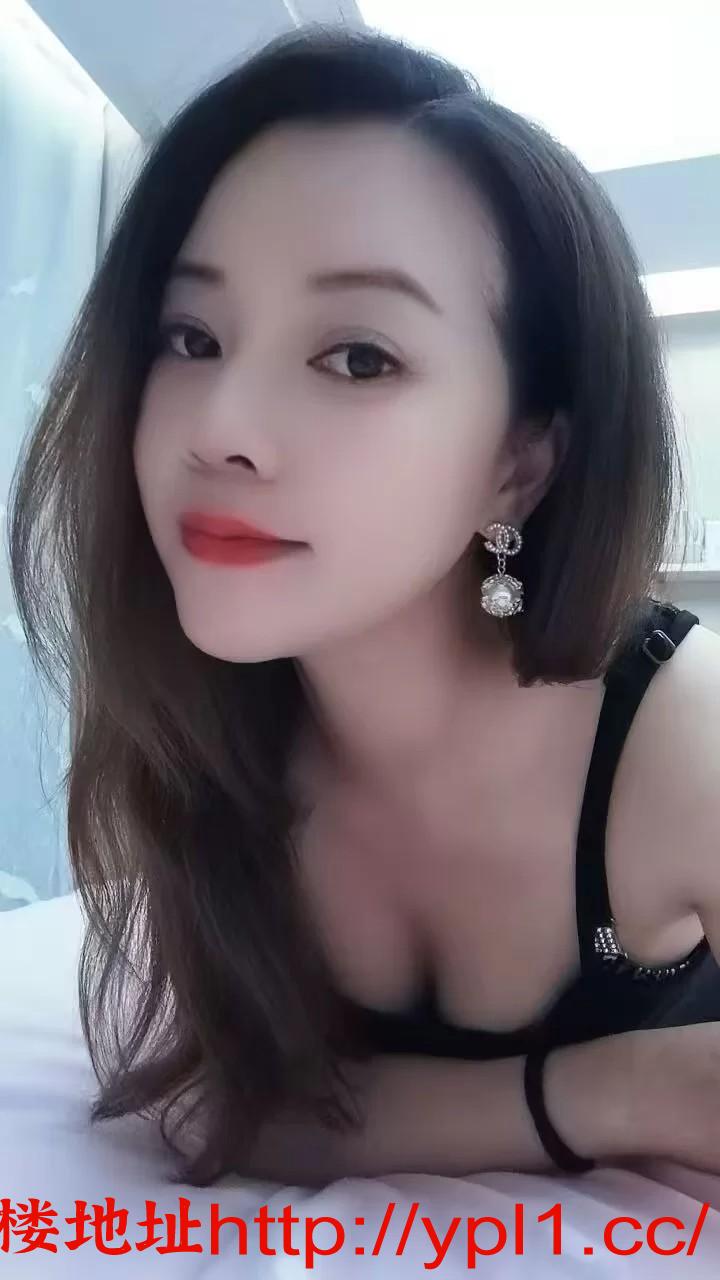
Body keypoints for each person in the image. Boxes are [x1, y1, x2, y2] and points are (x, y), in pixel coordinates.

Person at [8, 25, 720, 1190]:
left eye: (357, 358)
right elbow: (231, 1107)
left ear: (520, 465)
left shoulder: (683, 736)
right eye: (191, 337)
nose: (220, 427)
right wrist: (626, 1087)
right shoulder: (213, 727)